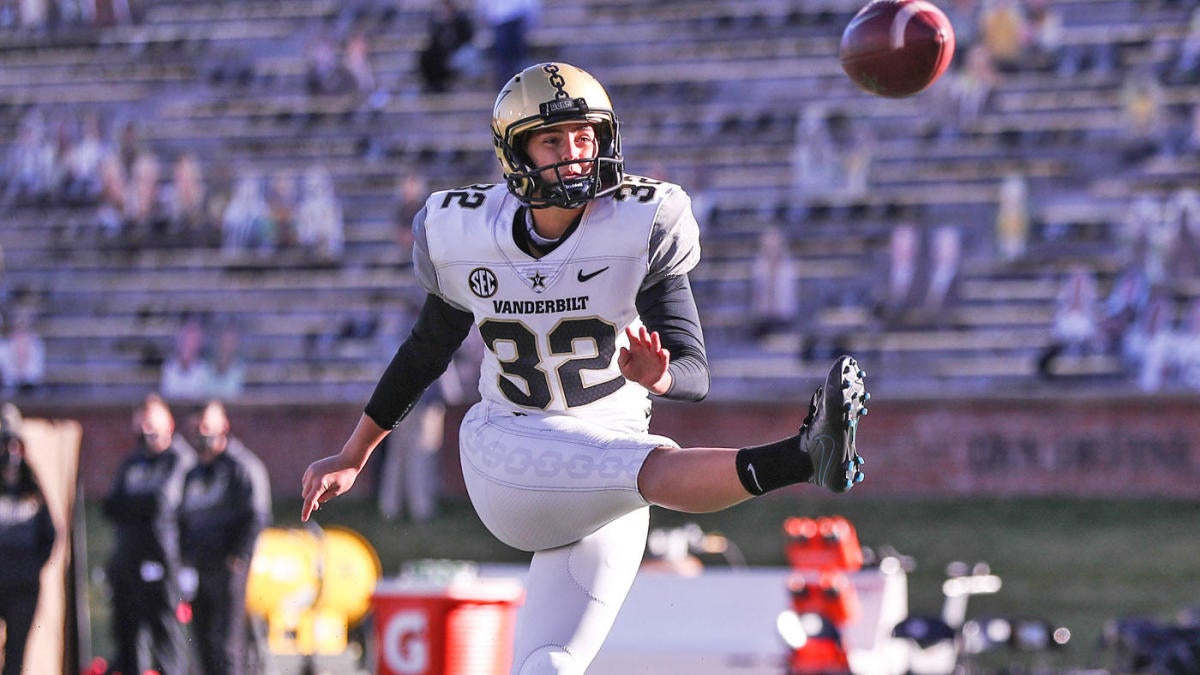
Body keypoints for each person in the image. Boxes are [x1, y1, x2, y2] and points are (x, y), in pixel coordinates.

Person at [299, 63, 870, 675]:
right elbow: (426, 351)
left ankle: (809, 454)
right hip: (508, 450)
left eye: (583, 137)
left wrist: (659, 377)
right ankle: (804, 457)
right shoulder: (467, 233)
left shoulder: (641, 221)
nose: (573, 154)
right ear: (515, 151)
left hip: (610, 468)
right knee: (649, 466)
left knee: (549, 665)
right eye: (552, 140)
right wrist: (354, 454)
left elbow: (695, 371)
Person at [102, 394, 195, 675]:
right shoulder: (133, 462)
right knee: (129, 641)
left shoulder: (181, 459)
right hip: (128, 563)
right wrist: (141, 505)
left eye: (152, 424)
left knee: (167, 641)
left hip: (165, 564)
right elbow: (110, 505)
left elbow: (163, 502)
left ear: (168, 423)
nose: (147, 432)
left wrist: (135, 505)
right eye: (141, 425)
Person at [178, 400, 272, 675]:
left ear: (223, 426)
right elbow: (183, 519)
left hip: (228, 568)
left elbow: (258, 515)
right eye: (196, 426)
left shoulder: (241, 466)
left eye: (206, 425)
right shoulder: (192, 472)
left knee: (227, 645)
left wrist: (239, 557)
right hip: (198, 568)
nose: (201, 432)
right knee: (202, 644)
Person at [0, 403, 56, 675]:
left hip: (23, 588)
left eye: (15, 445)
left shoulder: (33, 488)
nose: (10, 453)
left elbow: (50, 535)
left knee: (15, 657)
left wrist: (30, 567)